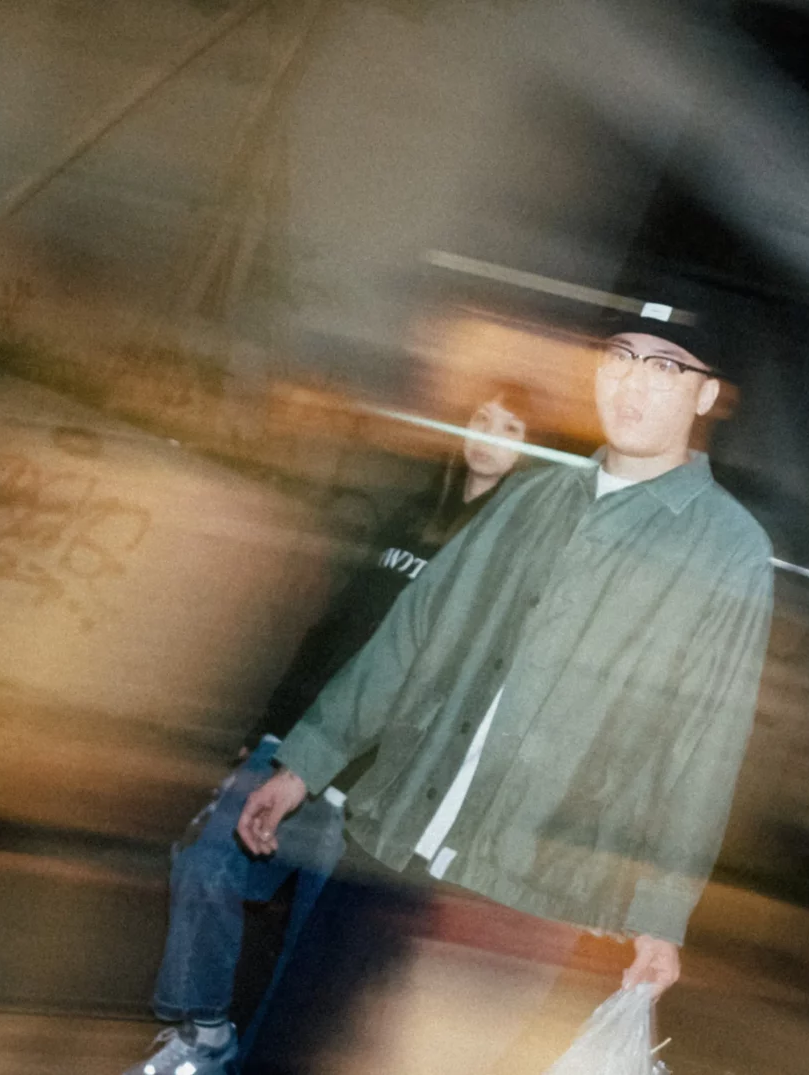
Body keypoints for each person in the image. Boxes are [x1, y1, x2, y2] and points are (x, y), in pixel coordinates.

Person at [236, 304, 774, 1074]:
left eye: (664, 366)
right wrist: (305, 763)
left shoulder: (728, 550)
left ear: (705, 394)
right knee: (290, 1050)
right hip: (390, 840)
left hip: (527, 886)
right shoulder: (531, 500)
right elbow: (413, 637)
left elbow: (703, 749)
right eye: (620, 355)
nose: (632, 381)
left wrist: (660, 915)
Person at [124, 389, 532, 1075]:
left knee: (304, 962)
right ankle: (204, 1034)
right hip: (300, 743)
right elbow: (332, 631)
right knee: (205, 861)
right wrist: (266, 729)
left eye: (511, 427)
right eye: (481, 419)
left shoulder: (506, 550)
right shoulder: (412, 515)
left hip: (372, 784)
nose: (489, 436)